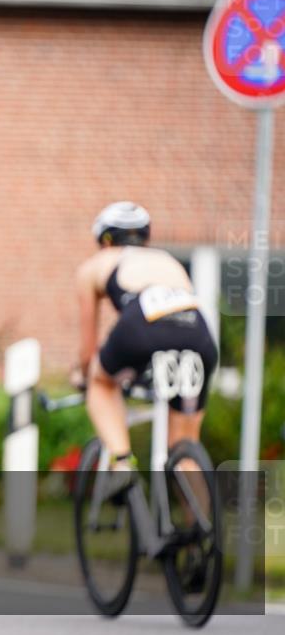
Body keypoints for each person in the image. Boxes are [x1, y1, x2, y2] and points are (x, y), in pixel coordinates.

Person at [73, 201, 218, 486]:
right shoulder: (167, 260)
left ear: (105, 240)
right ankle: (204, 525)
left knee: (99, 384)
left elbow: (88, 350)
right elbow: (173, 326)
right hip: (198, 332)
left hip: (142, 325)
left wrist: (82, 373)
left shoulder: (95, 265)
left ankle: (121, 462)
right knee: (184, 449)